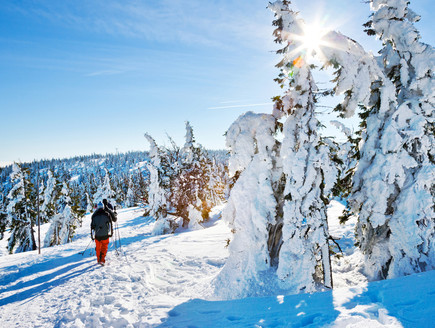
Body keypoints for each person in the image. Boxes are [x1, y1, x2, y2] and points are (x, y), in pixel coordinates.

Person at [91, 201, 117, 265]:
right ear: (103, 207)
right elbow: (110, 224)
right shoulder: (107, 214)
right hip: (105, 234)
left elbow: (92, 227)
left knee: (98, 248)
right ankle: (102, 259)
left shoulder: (94, 215)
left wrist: (92, 236)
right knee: (104, 247)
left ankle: (98, 260)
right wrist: (111, 233)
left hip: (97, 235)